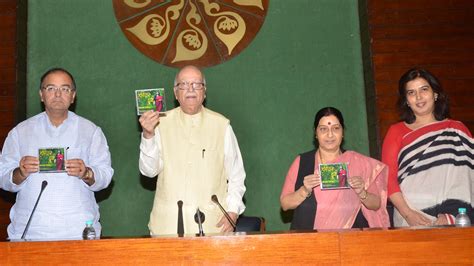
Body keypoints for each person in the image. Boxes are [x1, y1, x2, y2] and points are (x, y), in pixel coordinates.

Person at [0, 67, 114, 240]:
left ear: (73, 96)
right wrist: (19, 172)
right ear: (41, 95)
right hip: (30, 232)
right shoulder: (20, 132)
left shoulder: (90, 131)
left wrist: (87, 173)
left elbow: (105, 177)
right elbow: (3, 177)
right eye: (51, 88)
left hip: (78, 230)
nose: (58, 94)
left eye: (65, 89)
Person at [139, 65, 246, 235]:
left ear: (204, 92)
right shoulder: (158, 123)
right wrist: (148, 135)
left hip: (213, 227)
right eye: (184, 85)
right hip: (167, 228)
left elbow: (236, 175)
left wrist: (233, 211)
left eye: (197, 84)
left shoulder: (222, 125)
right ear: (175, 93)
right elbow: (148, 171)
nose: (190, 89)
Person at [382, 68, 473, 227]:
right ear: (406, 100)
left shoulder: (456, 130)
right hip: (410, 217)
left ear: (435, 93)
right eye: (411, 92)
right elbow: (388, 179)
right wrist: (408, 214)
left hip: (455, 218)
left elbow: (468, 176)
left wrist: (452, 214)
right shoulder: (396, 132)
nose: (418, 97)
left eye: (424, 89)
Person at [280, 107, 389, 230]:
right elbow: (285, 204)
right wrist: (304, 190)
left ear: (343, 132)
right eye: (323, 129)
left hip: (351, 241)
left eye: (336, 128)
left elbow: (376, 204)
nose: (330, 134)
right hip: (310, 242)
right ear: (316, 133)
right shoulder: (302, 162)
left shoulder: (358, 162)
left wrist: (362, 192)